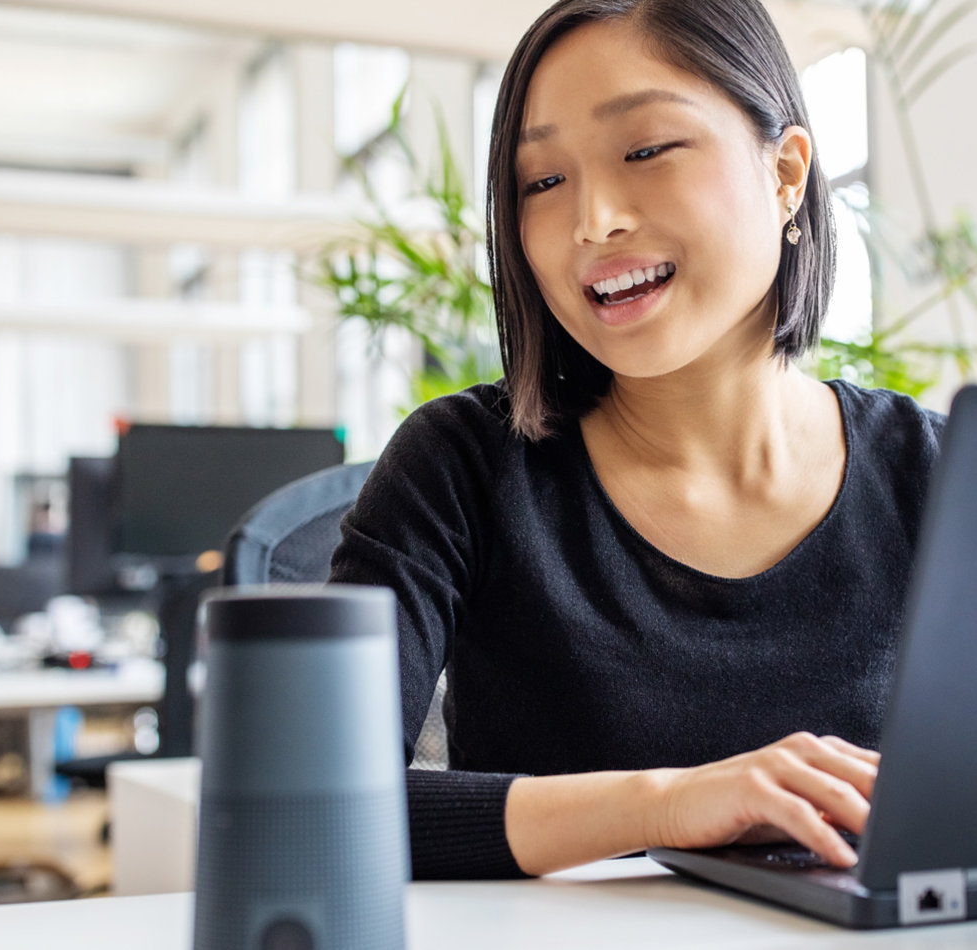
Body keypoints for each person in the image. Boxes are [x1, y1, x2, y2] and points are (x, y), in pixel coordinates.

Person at [328, 0, 945, 880]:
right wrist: (664, 806)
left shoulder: (940, 476)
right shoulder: (460, 467)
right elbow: (315, 803)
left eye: (646, 150)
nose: (593, 221)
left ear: (786, 173)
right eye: (542, 182)